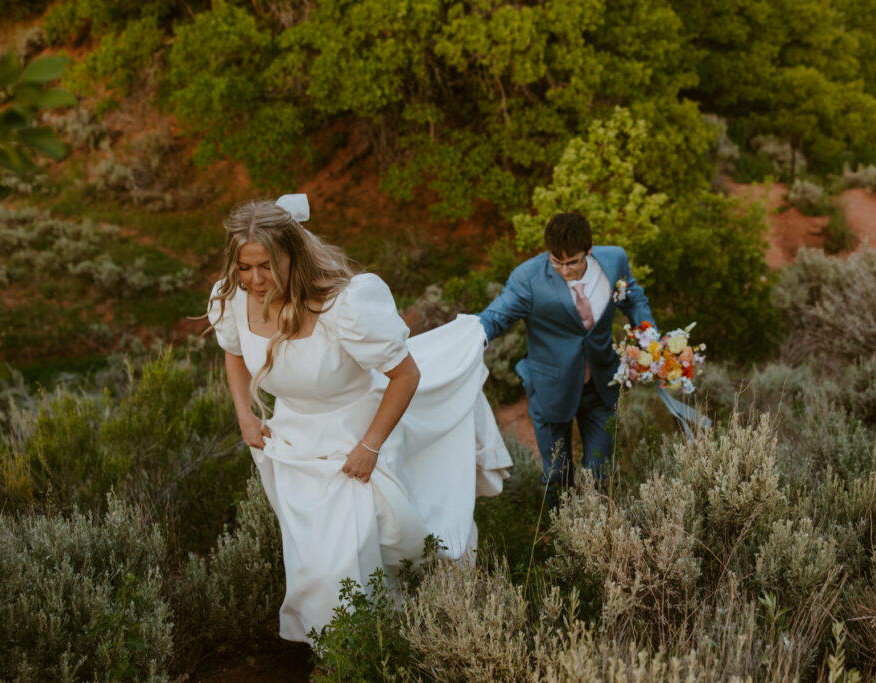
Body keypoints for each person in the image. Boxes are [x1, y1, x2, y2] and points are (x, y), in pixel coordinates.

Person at [207, 195, 511, 642]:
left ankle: (366, 644)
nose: (255, 279)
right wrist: (245, 416)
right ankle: (340, 648)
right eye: (245, 267)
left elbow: (405, 375)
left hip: (356, 431)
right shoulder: (231, 297)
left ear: (293, 255)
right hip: (291, 440)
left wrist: (369, 447)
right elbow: (234, 353)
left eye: (266, 266)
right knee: (314, 556)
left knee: (353, 551)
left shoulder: (342, 306)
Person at [477, 212, 654, 504]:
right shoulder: (527, 278)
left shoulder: (614, 261)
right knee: (557, 475)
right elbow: (496, 317)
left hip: (601, 383)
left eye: (572, 261)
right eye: (556, 261)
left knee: (600, 472)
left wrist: (651, 337)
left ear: (589, 249)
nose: (564, 269)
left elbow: (633, 299)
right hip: (550, 387)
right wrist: (471, 335)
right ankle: (558, 537)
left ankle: (594, 535)